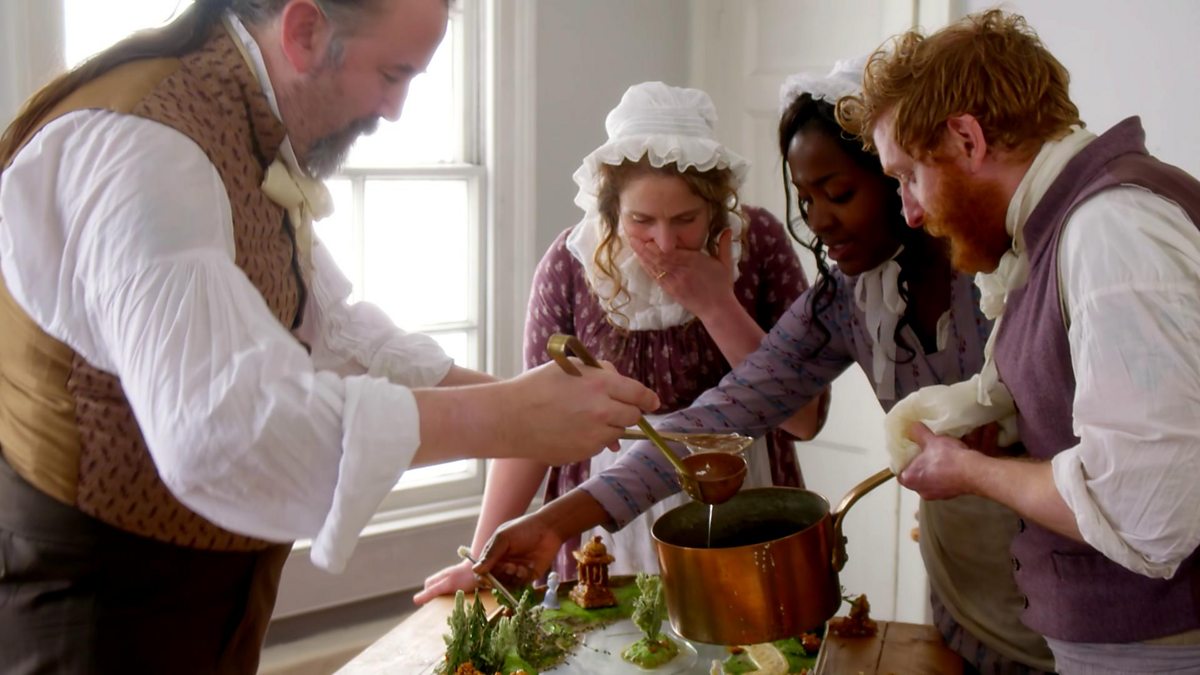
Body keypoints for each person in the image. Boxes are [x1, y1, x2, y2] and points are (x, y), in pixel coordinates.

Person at [0, 1, 658, 671]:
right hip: (99, 612)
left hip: (201, 603)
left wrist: (529, 403)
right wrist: (508, 417)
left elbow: (329, 329)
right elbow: (223, 428)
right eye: (393, 75)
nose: (395, 110)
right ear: (305, 30)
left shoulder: (238, 121)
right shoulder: (147, 150)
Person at [473, 61, 1054, 672]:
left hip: (1067, 568)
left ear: (895, 176)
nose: (820, 222)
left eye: (839, 194)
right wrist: (552, 522)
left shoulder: (1010, 273)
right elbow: (713, 421)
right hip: (962, 572)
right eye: (807, 199)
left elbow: (1096, 451)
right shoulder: (845, 300)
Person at [837, 9, 1200, 674]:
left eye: (908, 175)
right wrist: (983, 412)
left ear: (967, 139)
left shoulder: (1112, 232)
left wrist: (970, 472)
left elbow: (1149, 515)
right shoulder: (1064, 228)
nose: (910, 211)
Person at [415, 81, 824, 604]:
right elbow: (530, 425)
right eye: (641, 221)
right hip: (601, 518)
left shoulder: (758, 244)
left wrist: (716, 305)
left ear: (717, 204)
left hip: (742, 504)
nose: (665, 242)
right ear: (610, 208)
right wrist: (481, 557)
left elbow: (803, 418)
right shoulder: (569, 265)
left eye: (685, 220)